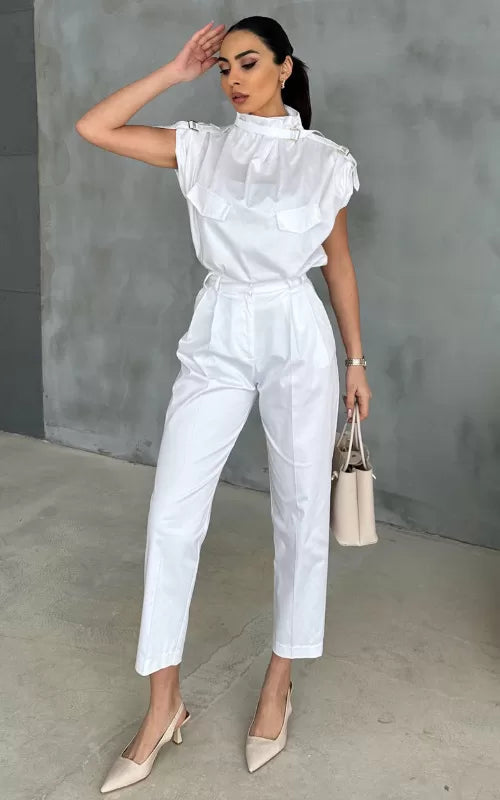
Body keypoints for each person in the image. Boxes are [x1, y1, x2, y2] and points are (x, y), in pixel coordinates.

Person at [76, 15, 372, 790]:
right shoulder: (200, 147)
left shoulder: (325, 162)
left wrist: (356, 359)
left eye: (248, 63)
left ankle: (279, 682)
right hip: (220, 328)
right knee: (172, 513)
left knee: (300, 510)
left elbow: (338, 263)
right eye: (223, 68)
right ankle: (163, 704)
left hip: (296, 331)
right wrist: (174, 73)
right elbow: (95, 127)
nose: (233, 78)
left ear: (284, 68)